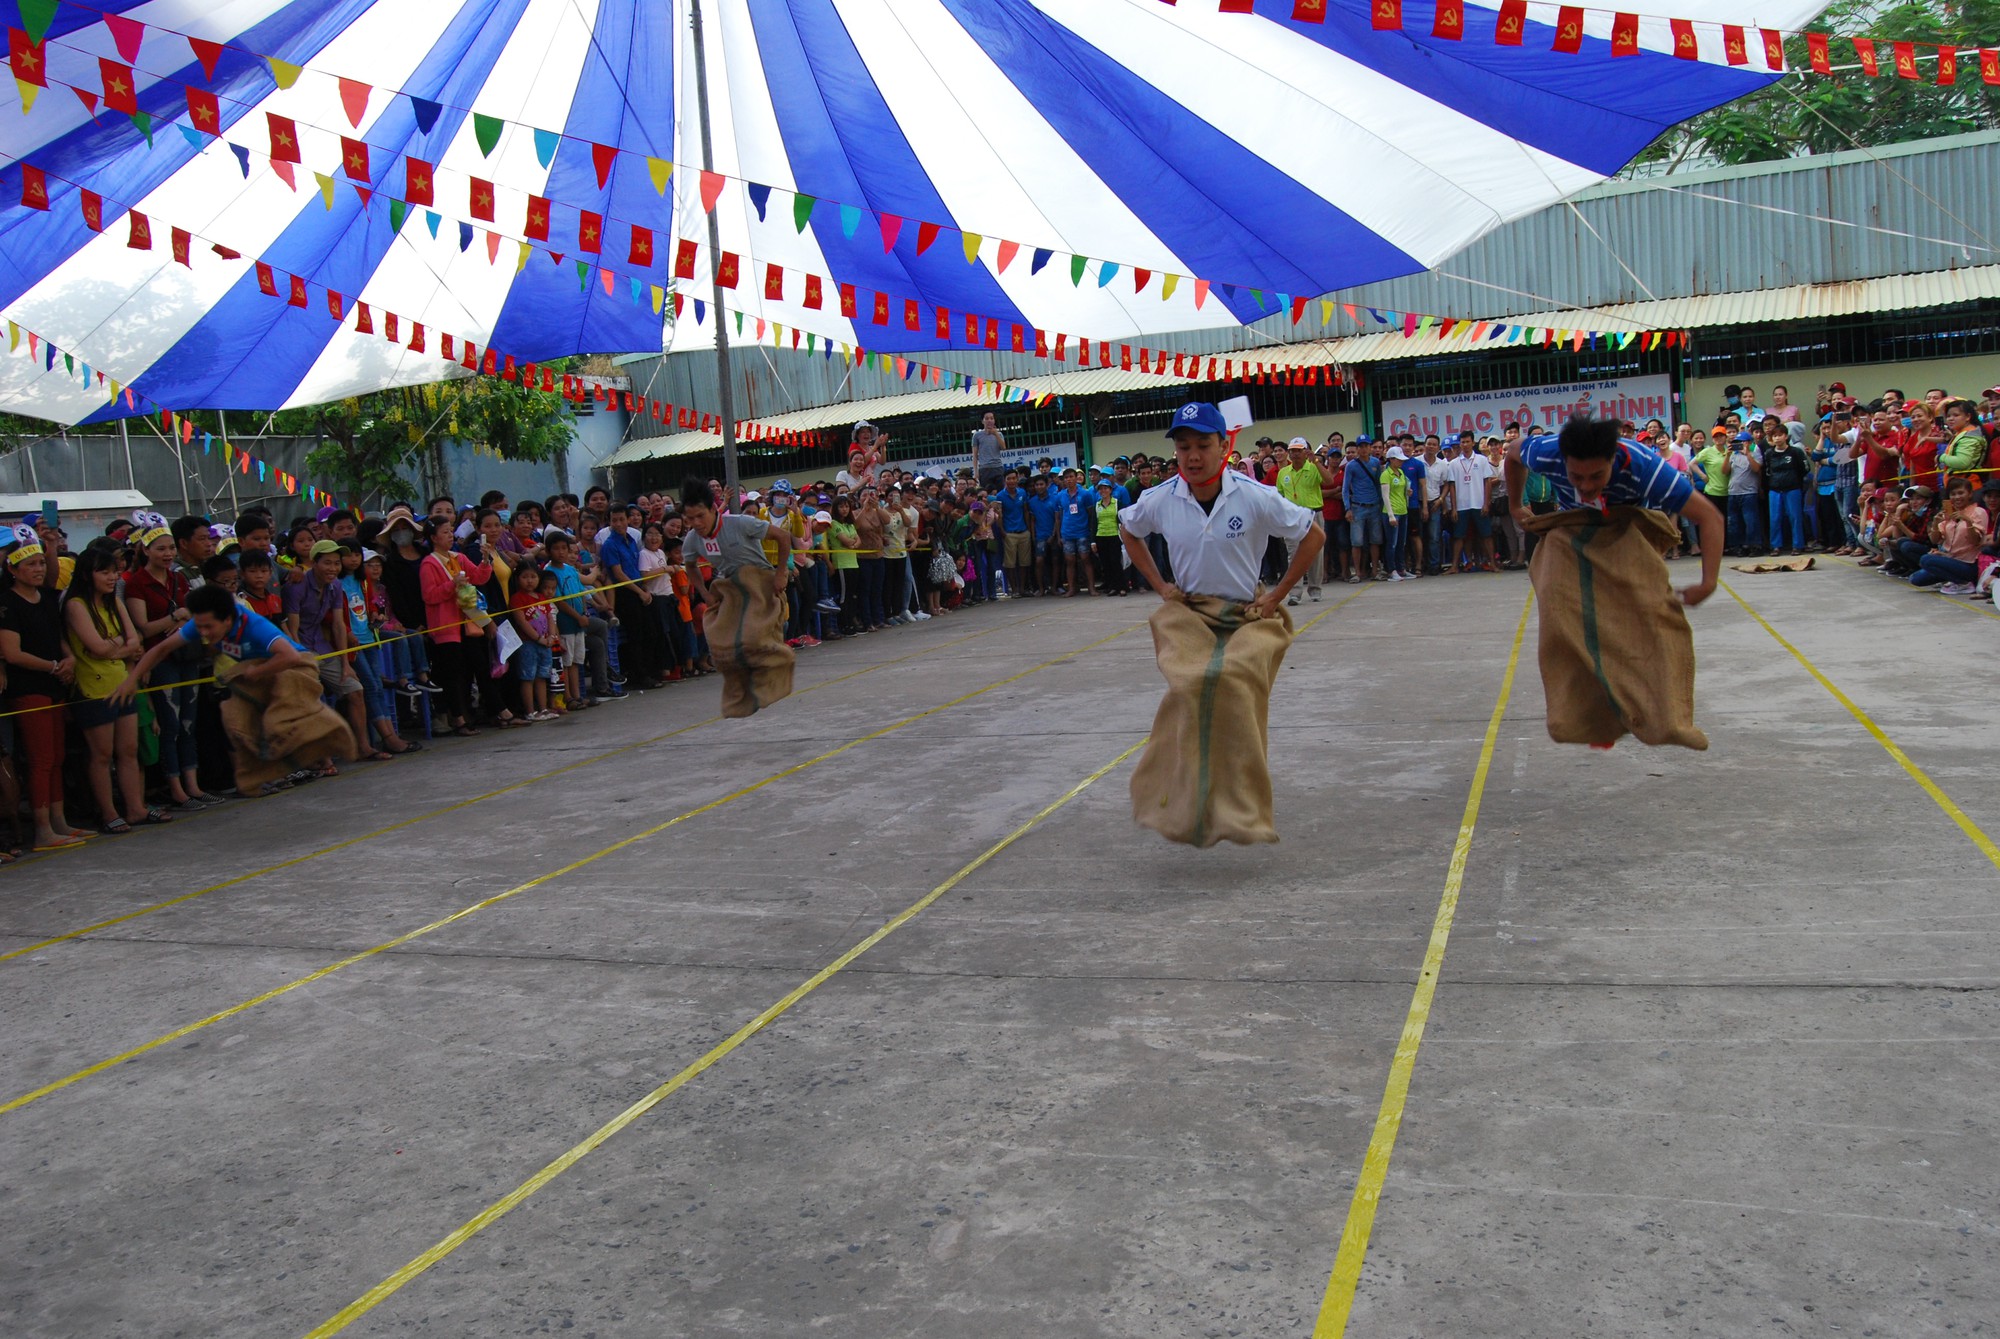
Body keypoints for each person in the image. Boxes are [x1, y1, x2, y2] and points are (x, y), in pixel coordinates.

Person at [1118, 402, 1323, 848]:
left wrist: (1276, 595)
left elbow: (1313, 535)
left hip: (1247, 613)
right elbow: (1128, 529)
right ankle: (1178, 796)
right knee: (1191, 685)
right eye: (1183, 447)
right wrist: (1161, 587)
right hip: (1189, 612)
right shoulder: (1161, 498)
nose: (1192, 456)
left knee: (1232, 683)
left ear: (1224, 447)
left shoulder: (1252, 496)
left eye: (1203, 446)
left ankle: (1239, 806)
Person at [1505, 415, 1723, 750]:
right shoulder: (1547, 451)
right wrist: (1515, 504)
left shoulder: (1645, 468)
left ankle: (1670, 720)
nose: (1587, 485)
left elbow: (1710, 517)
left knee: (1652, 616)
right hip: (1571, 528)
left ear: (1612, 460)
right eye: (1577, 476)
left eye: (1596, 476)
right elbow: (1512, 454)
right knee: (1558, 606)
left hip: (1626, 528)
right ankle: (1591, 720)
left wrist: (1708, 582)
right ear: (1564, 462)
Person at [64, 544, 170, 834]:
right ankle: (109, 812)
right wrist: (120, 646)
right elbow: (97, 648)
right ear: (87, 574)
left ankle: (135, 808)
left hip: (123, 682)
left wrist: (117, 647)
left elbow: (134, 640)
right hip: (94, 688)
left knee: (129, 749)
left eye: (114, 572)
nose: (112, 578)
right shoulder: (76, 604)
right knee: (101, 754)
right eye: (104, 572)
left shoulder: (113, 601)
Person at [678, 475, 796, 717]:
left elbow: (783, 537)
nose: (696, 523)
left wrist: (781, 573)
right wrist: (704, 594)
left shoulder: (740, 523)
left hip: (759, 582)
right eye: (689, 519)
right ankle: (743, 693)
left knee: (753, 636)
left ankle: (779, 668)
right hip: (730, 588)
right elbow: (689, 566)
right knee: (719, 641)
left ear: (713, 509)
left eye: (700, 516)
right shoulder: (692, 539)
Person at [0, 540, 86, 850]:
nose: (39, 570)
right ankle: (42, 828)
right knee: (40, 759)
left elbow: (59, 636)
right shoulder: (7, 604)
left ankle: (58, 820)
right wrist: (52, 666)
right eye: (31, 565)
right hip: (29, 687)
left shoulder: (48, 599)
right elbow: (12, 652)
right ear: (12, 570)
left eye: (41, 563)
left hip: (54, 684)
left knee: (57, 756)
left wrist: (70, 659)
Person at [1275, 437, 1326, 603]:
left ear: (1306, 451)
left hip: (1313, 514)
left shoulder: (1314, 468)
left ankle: (1315, 589)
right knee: (1293, 554)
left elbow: (1329, 480)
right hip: (1292, 517)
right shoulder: (1283, 472)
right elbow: (1280, 496)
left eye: (1299, 450)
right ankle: (1295, 593)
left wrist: (1316, 461)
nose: (1295, 454)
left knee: (1316, 554)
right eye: (1292, 451)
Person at [1758, 415, 1811, 555]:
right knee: (1775, 518)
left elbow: (1804, 469)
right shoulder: (1769, 453)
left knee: (1795, 517)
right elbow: (1767, 471)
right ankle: (1776, 546)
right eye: (1774, 436)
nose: (1777, 438)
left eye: (1780, 435)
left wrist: (1794, 481)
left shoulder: (1796, 452)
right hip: (1775, 490)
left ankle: (1797, 545)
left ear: (1786, 436)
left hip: (1792, 489)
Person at [972, 411, 1006, 492]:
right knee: (986, 492)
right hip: (984, 469)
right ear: (982, 421)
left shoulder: (999, 434)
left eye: (991, 418)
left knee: (1000, 492)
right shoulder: (977, 435)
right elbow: (975, 455)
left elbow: (1003, 447)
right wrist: (976, 472)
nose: (989, 420)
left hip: (998, 468)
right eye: (987, 418)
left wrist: (995, 434)